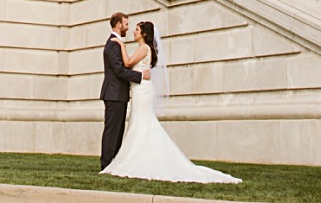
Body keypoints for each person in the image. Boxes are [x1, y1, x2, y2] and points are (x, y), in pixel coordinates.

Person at [101, 20, 240, 184]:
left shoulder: (144, 48)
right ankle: (139, 158)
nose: (133, 31)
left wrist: (122, 46)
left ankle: (140, 160)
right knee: (139, 123)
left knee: (143, 123)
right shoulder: (142, 48)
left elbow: (127, 63)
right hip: (139, 90)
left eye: (137, 29)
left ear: (144, 34)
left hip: (142, 91)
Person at [100, 11, 147, 169]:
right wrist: (140, 76)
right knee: (112, 131)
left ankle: (113, 162)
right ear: (119, 25)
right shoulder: (113, 43)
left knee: (117, 132)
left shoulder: (116, 43)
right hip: (114, 94)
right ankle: (106, 164)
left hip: (118, 94)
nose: (128, 27)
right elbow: (119, 70)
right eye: (126, 24)